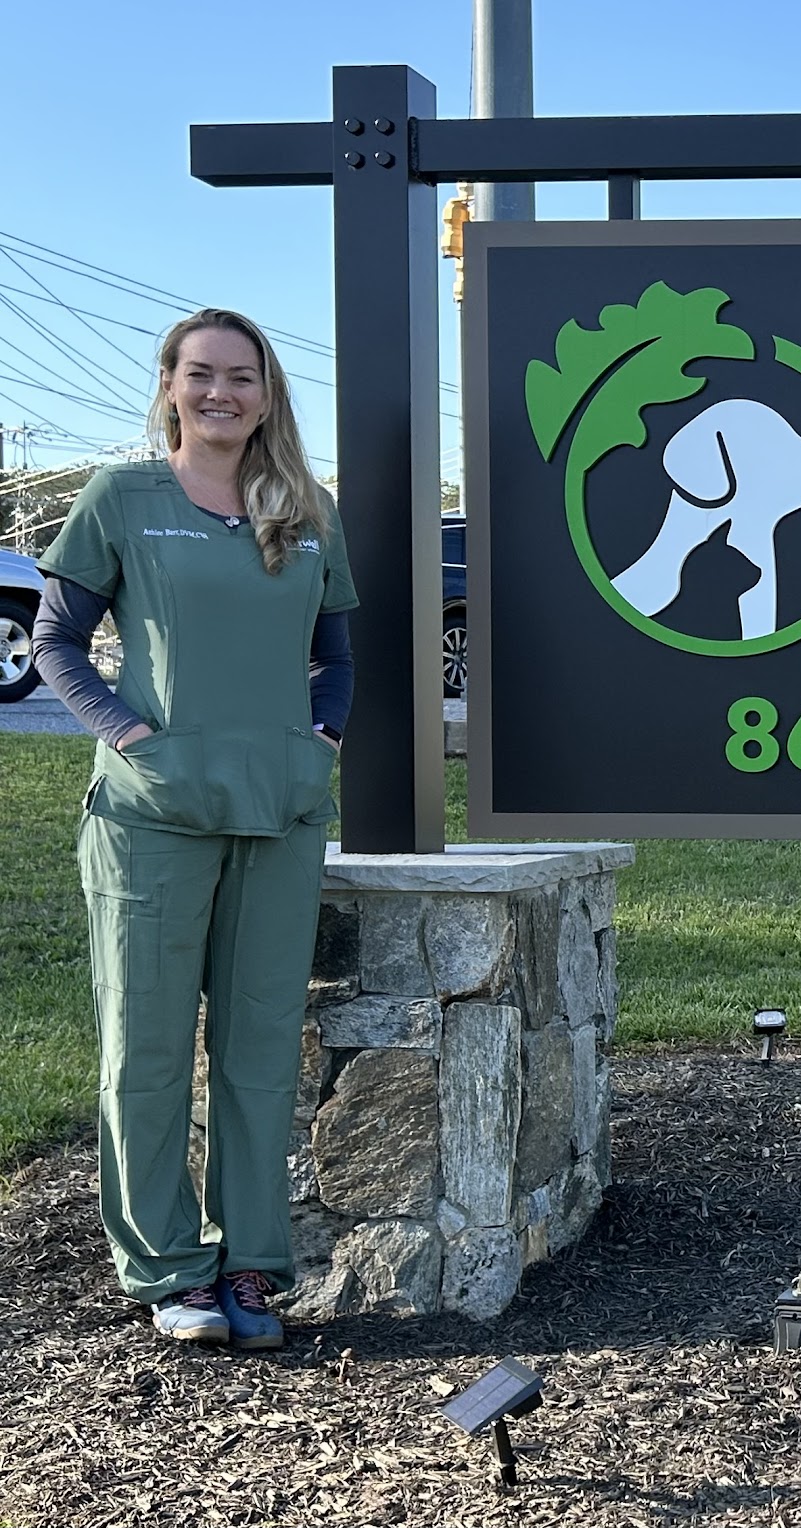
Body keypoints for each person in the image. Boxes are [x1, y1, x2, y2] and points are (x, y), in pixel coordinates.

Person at [32, 309, 357, 1349]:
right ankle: (169, 1267)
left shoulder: (305, 507)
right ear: (170, 385)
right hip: (153, 816)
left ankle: (251, 1264)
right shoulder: (122, 498)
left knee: (260, 1048)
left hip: (280, 810)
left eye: (242, 376)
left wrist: (321, 739)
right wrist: (131, 735)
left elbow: (337, 653)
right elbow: (56, 641)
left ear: (267, 395)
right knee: (149, 1047)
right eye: (202, 374)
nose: (222, 392)